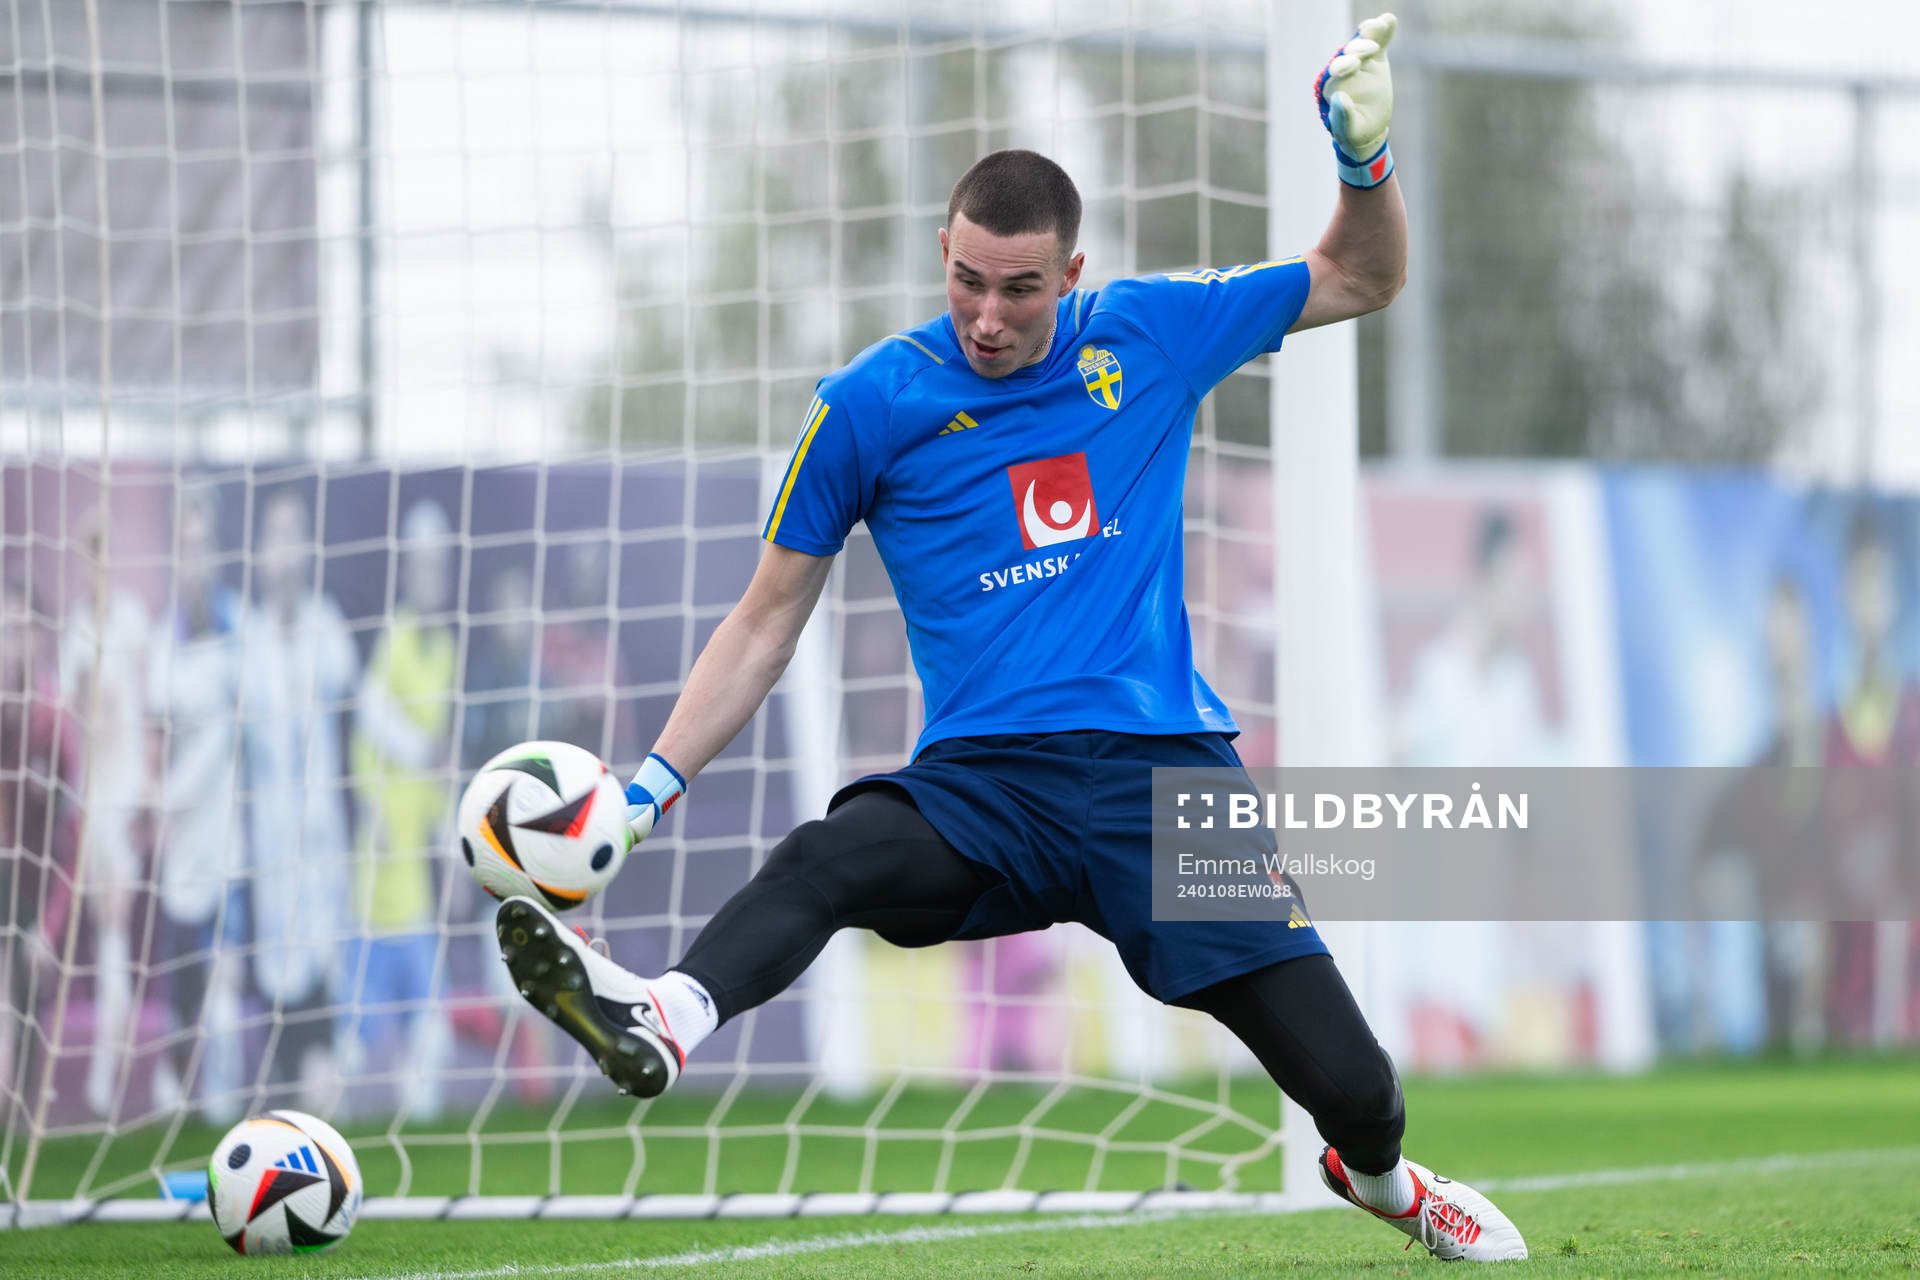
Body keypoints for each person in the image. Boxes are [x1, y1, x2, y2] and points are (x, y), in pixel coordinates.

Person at [495, 15, 1526, 1262]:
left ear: (1072, 271)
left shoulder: (1150, 332)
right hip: (986, 785)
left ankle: (1387, 1184)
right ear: (943, 253)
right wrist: (646, 788)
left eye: (1021, 288)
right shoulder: (869, 404)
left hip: (1164, 780)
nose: (988, 315)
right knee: (833, 853)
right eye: (967, 280)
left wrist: (1364, 163)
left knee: (1360, 1091)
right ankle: (662, 1011)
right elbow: (767, 616)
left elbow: (1361, 277)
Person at [344, 498, 459, 1117]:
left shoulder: (443, 650)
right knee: (355, 1046)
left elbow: (440, 762)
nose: (430, 574)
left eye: (439, 563)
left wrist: (449, 835)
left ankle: (420, 1137)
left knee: (430, 1037)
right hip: (377, 867)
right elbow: (368, 721)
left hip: (417, 869)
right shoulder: (395, 636)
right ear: (407, 568)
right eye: (421, 563)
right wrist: (418, 755)